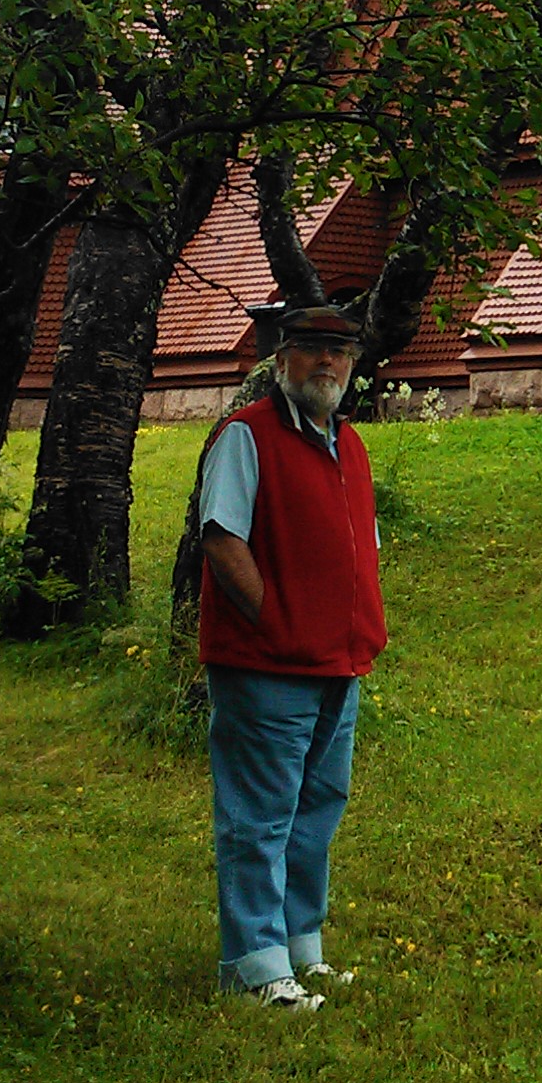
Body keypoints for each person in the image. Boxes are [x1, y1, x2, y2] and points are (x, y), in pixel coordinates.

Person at [193, 302, 387, 1009]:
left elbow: (361, 546)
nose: (326, 363)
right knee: (260, 816)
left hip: (339, 661)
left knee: (317, 811)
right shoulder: (247, 436)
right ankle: (252, 968)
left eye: (340, 351)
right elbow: (221, 538)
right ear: (282, 360)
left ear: (353, 365)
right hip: (267, 663)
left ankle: (301, 949)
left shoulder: (350, 445)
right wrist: (271, 622)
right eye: (310, 349)